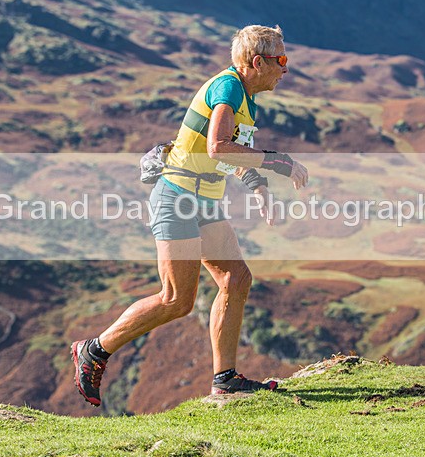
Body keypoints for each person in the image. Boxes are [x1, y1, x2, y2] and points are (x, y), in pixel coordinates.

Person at [71, 24, 309, 407]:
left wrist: (258, 186)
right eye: (281, 60)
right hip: (178, 198)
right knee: (176, 299)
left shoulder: (244, 97)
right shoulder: (229, 87)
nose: (285, 69)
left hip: (204, 202)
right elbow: (217, 147)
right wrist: (279, 162)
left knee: (236, 278)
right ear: (257, 61)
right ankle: (94, 350)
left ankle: (226, 380)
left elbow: (230, 152)